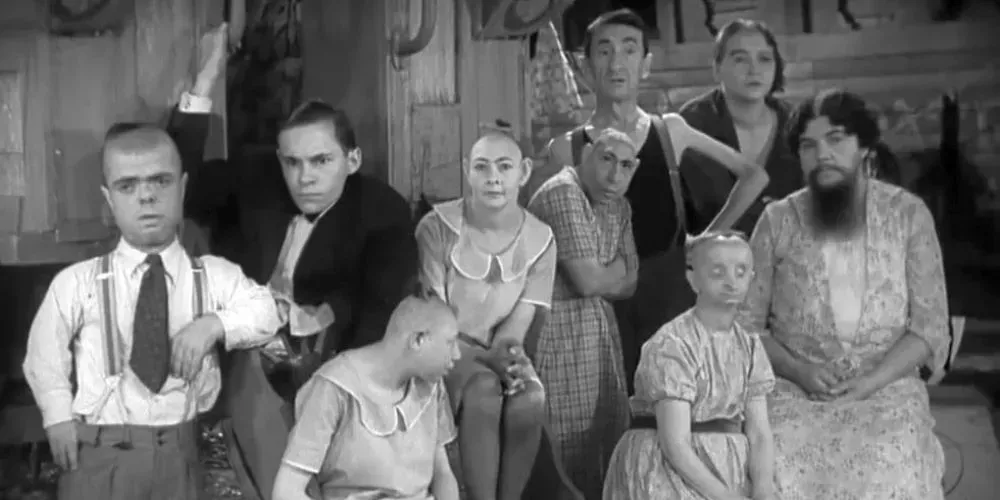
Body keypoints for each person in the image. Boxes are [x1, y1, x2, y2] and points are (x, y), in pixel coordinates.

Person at [173, 43, 420, 495]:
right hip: (243, 344)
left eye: (321, 161)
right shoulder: (257, 178)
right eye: (292, 162)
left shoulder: (381, 210)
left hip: (333, 353)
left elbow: (380, 312)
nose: (305, 177)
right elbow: (179, 185)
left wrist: (334, 384)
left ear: (352, 160)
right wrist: (203, 86)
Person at [21, 123, 282, 500]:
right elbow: (44, 353)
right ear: (108, 199)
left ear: (183, 188)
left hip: (180, 456)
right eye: (127, 186)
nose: (146, 196)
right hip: (98, 456)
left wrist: (214, 324)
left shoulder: (214, 276)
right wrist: (57, 415)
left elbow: (268, 310)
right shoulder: (77, 282)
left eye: (161, 181)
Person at [528, 8, 769, 392]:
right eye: (604, 51)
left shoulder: (670, 130)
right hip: (600, 303)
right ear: (585, 67)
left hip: (670, 291)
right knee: (613, 405)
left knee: (676, 397)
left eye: (629, 50)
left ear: (646, 64)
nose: (616, 62)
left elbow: (754, 176)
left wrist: (705, 240)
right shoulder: (566, 150)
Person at [739, 89, 949, 498]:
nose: (822, 155)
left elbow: (929, 327)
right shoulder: (777, 220)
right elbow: (746, 326)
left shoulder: (908, 214)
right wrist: (798, 370)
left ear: (865, 146)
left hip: (887, 386)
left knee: (887, 463)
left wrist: (870, 382)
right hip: (794, 387)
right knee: (775, 464)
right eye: (808, 145)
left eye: (835, 139)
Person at [416, 122, 556, 500]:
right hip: (445, 347)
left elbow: (518, 323)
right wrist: (483, 359)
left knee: (529, 398)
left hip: (500, 348)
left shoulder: (541, 239)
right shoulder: (437, 228)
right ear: (467, 170)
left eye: (504, 167)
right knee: (482, 391)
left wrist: (504, 353)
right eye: (482, 167)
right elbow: (435, 316)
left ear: (524, 172)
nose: (493, 177)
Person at [603, 231, 776, 500]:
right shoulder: (673, 343)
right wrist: (727, 497)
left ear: (751, 279)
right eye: (718, 272)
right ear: (693, 280)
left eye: (741, 272)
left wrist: (763, 490)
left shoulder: (750, 346)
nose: (731, 281)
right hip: (668, 468)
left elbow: (759, 432)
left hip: (727, 466)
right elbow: (675, 444)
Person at [524, 128, 638, 498]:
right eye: (606, 159)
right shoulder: (563, 191)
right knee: (564, 456)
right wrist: (612, 270)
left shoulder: (619, 205)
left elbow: (632, 282)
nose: (614, 175)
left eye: (626, 166)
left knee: (604, 450)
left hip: (600, 338)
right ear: (586, 154)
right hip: (559, 337)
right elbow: (588, 282)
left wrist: (608, 275)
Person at [271, 291, 462, 500]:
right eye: (450, 342)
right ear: (418, 340)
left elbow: (443, 474)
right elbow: (286, 491)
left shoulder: (431, 385)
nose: (457, 354)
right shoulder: (333, 389)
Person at [678, 19, 803, 236]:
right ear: (717, 69)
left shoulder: (795, 123)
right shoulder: (692, 123)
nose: (754, 70)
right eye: (740, 59)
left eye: (764, 59)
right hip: (712, 253)